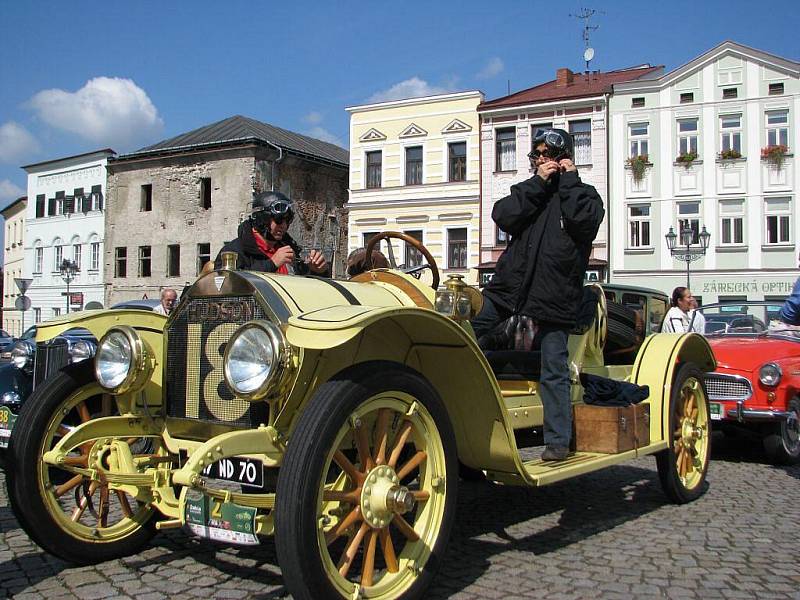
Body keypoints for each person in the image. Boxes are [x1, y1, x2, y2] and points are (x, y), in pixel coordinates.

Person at [472, 128, 605, 461]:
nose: (541, 161)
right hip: (509, 290)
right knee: (465, 334)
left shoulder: (585, 195)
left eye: (548, 155)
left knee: (554, 368)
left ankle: (558, 441)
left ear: (564, 159)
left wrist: (569, 181)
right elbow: (502, 216)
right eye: (537, 155)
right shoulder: (529, 191)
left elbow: (584, 224)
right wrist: (537, 184)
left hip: (554, 295)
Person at [214, 191, 329, 276]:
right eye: (279, 220)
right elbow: (229, 287)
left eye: (288, 220)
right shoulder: (234, 251)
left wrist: (318, 270)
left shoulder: (289, 249)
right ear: (262, 220)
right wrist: (272, 264)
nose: (284, 226)